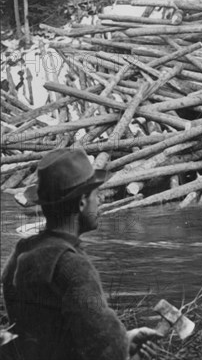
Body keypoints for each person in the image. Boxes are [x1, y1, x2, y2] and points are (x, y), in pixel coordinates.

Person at [1, 148, 162, 360]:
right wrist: (123, 351)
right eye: (97, 195)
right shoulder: (73, 266)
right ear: (82, 202)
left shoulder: (22, 251)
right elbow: (107, 352)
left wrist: (125, 339)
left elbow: (45, 332)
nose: (101, 201)